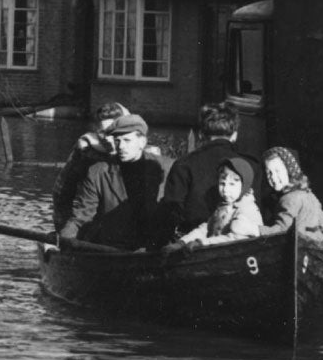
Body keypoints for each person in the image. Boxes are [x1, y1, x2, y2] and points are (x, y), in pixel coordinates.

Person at [59, 112, 168, 249]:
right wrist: (62, 240)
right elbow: (81, 217)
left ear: (142, 142)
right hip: (111, 247)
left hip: (151, 245)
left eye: (127, 140)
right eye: (117, 140)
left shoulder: (160, 166)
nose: (121, 146)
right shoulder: (97, 172)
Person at [157, 102, 252, 243]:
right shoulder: (251, 165)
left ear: (201, 135)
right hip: (242, 246)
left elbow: (171, 213)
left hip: (193, 248)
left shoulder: (184, 165)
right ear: (235, 136)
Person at [50, 101, 126, 232]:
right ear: (97, 131)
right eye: (103, 132)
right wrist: (65, 231)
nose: (108, 138)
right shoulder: (86, 149)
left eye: (112, 132)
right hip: (88, 207)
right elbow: (62, 190)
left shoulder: (134, 146)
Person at [260, 145, 323, 262]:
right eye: (269, 173)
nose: (274, 178)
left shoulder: (289, 199)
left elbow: (281, 231)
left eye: (278, 171)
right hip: (315, 254)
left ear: (290, 170)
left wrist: (257, 230)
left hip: (299, 253)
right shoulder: (309, 195)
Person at [174, 157, 266, 246]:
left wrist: (203, 243)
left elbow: (236, 240)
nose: (225, 189)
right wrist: (183, 242)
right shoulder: (223, 206)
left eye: (232, 184)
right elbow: (207, 228)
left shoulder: (247, 209)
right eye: (222, 183)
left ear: (244, 186)